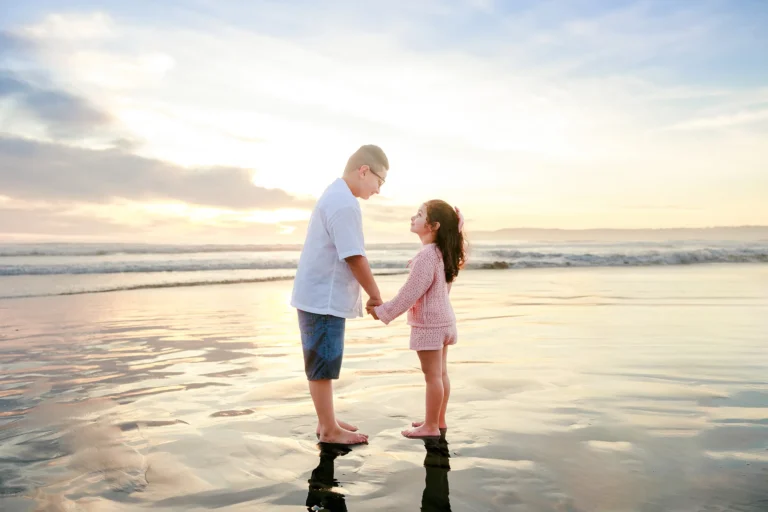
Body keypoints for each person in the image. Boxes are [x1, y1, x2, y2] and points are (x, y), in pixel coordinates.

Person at [291, 144, 389, 445]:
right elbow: (354, 256)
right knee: (323, 362)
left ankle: (326, 421)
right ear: (364, 171)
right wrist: (375, 295)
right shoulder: (344, 203)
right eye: (379, 181)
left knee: (321, 362)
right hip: (323, 297)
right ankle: (329, 430)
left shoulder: (335, 194)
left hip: (316, 293)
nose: (378, 190)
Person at [369, 200, 466, 438]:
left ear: (433, 226)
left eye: (419, 214)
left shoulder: (427, 255)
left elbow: (410, 293)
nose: (413, 217)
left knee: (432, 376)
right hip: (445, 321)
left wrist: (383, 311)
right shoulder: (444, 253)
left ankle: (431, 426)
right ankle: (437, 420)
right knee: (440, 374)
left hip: (430, 325)